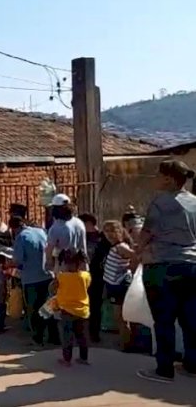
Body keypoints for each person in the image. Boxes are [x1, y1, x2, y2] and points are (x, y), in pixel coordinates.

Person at [137, 159, 196, 383]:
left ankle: (164, 369)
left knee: (164, 320)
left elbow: (147, 233)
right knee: (190, 320)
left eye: (158, 175)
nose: (155, 179)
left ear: (169, 179)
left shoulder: (161, 202)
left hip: (163, 266)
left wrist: (136, 253)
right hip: (192, 265)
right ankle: (192, 364)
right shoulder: (194, 201)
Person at [10, 216, 60, 346]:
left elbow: (18, 260)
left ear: (14, 228)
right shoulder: (40, 231)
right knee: (48, 307)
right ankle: (54, 336)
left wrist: (10, 263)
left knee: (34, 309)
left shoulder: (21, 237)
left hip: (31, 279)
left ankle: (38, 336)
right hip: (48, 275)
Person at [101, 220, 135, 351]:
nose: (109, 234)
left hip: (119, 286)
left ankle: (126, 344)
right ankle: (125, 341)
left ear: (120, 232)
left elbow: (134, 257)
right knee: (119, 317)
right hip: (112, 285)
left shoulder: (121, 247)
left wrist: (129, 269)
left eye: (112, 231)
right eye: (106, 231)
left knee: (120, 317)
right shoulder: (115, 247)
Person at [54, 249, 92, 367]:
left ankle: (67, 360)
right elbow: (87, 284)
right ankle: (83, 358)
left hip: (66, 310)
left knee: (67, 337)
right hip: (83, 311)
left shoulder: (62, 277)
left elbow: (54, 286)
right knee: (82, 336)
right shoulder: (85, 276)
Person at [83, 213, 111, 343]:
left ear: (88, 223)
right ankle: (83, 332)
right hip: (83, 275)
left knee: (95, 305)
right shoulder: (81, 236)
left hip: (98, 275)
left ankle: (94, 333)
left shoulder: (102, 238)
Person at [46, 194, 87, 272]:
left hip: (65, 270)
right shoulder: (79, 222)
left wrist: (49, 265)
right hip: (81, 267)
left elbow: (49, 250)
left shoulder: (56, 228)